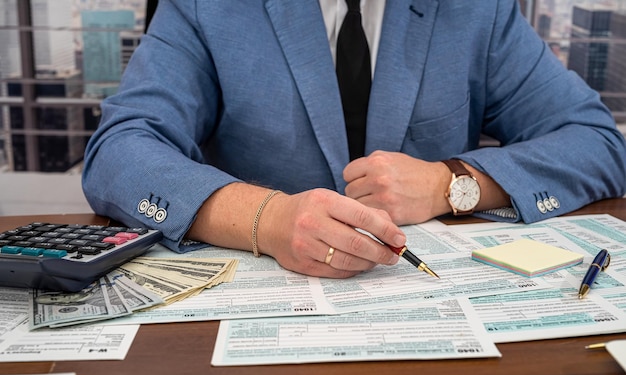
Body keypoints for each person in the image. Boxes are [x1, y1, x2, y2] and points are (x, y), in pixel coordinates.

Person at [82, 0, 626, 280]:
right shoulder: (209, 7)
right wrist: (265, 218)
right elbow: (121, 148)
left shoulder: (477, 10)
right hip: (258, 300)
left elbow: (598, 143)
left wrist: (452, 183)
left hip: (418, 293)